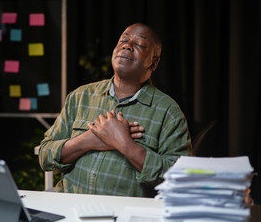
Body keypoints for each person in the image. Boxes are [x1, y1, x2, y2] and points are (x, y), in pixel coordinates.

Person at [39, 23, 192, 197]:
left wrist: (125, 145)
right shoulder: (80, 96)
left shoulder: (168, 112)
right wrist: (86, 140)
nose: (127, 45)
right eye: (123, 40)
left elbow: (180, 178)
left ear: (153, 63)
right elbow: (45, 156)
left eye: (139, 44)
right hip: (70, 208)